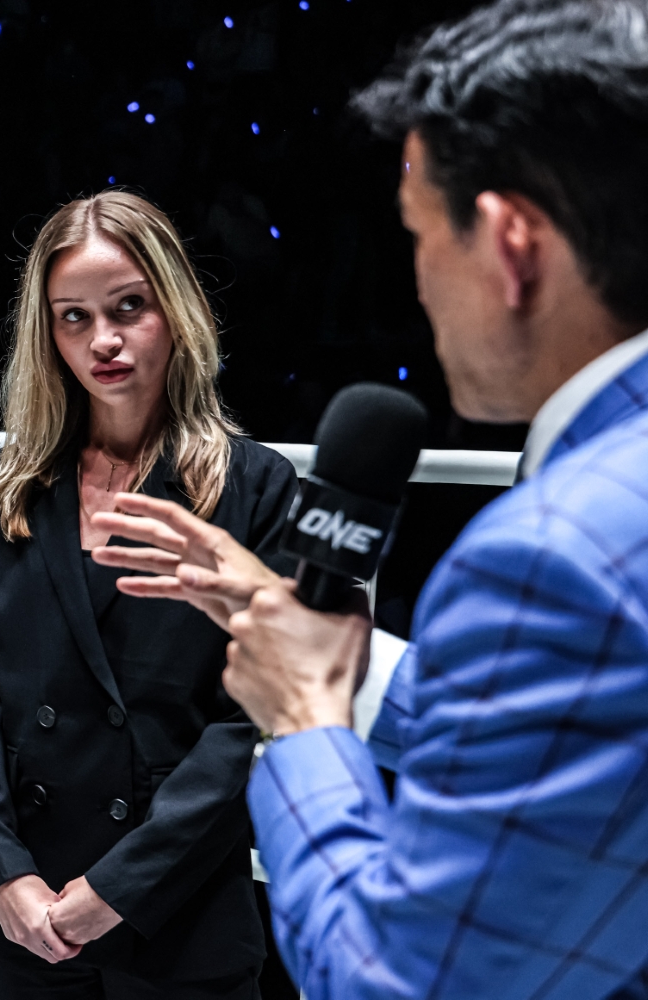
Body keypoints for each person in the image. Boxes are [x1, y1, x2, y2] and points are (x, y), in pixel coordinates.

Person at [91, 2, 648, 997]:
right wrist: (305, 632)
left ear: (510, 243)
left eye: (419, 237)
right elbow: (594, 722)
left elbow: (394, 981)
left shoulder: (552, 550)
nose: (417, 285)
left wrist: (305, 717)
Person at [0, 190, 302, 999]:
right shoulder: (18, 487)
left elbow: (253, 716)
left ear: (173, 309)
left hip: (176, 911)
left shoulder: (257, 486)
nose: (101, 339)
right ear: (48, 334)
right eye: (72, 317)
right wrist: (5, 875)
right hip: (25, 913)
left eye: (127, 307)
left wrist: (118, 890)